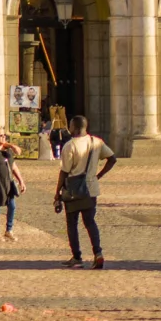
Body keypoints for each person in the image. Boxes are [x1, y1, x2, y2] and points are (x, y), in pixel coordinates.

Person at [57, 114, 115, 269]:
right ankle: (98, 253)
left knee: (72, 223)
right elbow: (112, 158)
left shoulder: (70, 145)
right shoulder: (96, 142)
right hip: (91, 188)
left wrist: (57, 194)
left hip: (73, 189)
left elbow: (64, 171)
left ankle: (77, 257)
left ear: (74, 127)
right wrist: (98, 175)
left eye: (70, 125)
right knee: (90, 222)